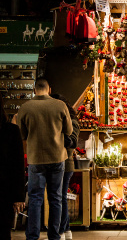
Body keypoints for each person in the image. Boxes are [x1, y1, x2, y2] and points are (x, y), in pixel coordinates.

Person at [17, 78, 73, 240]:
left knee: (35, 199)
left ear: (35, 90)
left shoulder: (25, 107)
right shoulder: (60, 106)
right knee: (55, 198)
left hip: (36, 160)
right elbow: (68, 131)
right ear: (49, 89)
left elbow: (22, 135)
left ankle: (32, 236)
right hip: (57, 157)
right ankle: (54, 236)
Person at [51, 94, 80, 240]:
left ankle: (62, 231)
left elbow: (72, 142)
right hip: (61, 163)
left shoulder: (72, 121)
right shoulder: (62, 120)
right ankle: (66, 230)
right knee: (60, 198)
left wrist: (55, 137)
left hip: (66, 163)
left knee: (59, 198)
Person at [0, 96, 25, 239]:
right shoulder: (11, 131)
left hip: (4, 195)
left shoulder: (11, 131)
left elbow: (17, 166)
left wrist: (18, 197)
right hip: (5, 192)